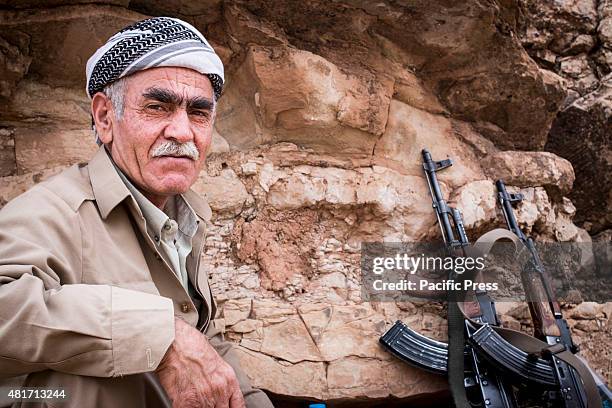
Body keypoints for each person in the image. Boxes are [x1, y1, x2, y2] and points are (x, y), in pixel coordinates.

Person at [0, 17, 273, 408]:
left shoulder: (184, 216)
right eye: (158, 107)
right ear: (106, 118)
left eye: (198, 113)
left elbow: (202, 340)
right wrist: (161, 336)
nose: (182, 132)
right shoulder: (53, 212)